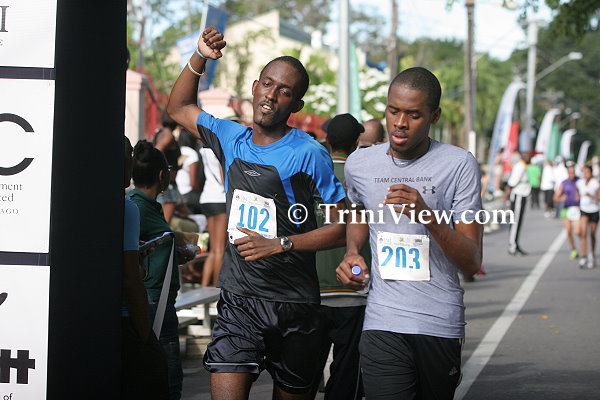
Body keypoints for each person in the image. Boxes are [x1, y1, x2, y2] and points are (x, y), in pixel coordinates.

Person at [166, 27, 348, 400]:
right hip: (239, 300)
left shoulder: (309, 153)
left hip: (294, 305)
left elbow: (344, 226)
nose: (271, 95)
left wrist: (281, 244)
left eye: (285, 91)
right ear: (254, 87)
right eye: (267, 84)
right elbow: (179, 108)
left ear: (296, 105)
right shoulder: (230, 136)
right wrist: (199, 56)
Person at [336, 67, 483, 400]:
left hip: (438, 322)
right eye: (393, 111)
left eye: (414, 115)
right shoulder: (360, 164)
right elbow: (358, 211)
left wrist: (427, 216)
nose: (400, 123)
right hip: (382, 319)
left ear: (434, 116)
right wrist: (353, 251)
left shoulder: (458, 164)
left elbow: (472, 262)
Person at [309, 113, 370, 400]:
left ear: (327, 140)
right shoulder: (364, 176)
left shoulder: (310, 172)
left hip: (311, 290)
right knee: (347, 374)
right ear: (357, 141)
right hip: (353, 289)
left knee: (302, 377)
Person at [128, 140, 182, 400]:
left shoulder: (144, 206)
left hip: (158, 300)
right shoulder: (135, 208)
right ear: (162, 175)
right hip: (153, 303)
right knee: (167, 381)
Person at [122, 136, 169, 400]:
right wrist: (145, 336)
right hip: (130, 318)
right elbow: (130, 278)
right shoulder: (129, 208)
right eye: (127, 155)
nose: (130, 162)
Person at [197, 142, 227, 287]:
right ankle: (216, 289)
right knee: (220, 249)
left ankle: (204, 286)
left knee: (213, 249)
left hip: (207, 197)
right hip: (220, 199)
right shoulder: (220, 149)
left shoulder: (205, 150)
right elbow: (223, 179)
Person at [154, 113, 183, 224]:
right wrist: (166, 171)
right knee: (164, 224)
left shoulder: (161, 133)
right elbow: (157, 152)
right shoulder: (168, 136)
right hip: (167, 186)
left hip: (165, 183)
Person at [505, 151, 532, 256]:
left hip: (522, 195)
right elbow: (512, 182)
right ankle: (512, 246)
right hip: (518, 196)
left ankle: (515, 243)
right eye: (527, 156)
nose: (529, 158)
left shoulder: (523, 166)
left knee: (518, 222)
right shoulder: (520, 166)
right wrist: (507, 194)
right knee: (515, 222)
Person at [554, 163, 580, 260]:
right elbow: (555, 197)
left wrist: (580, 197)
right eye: (570, 173)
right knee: (568, 231)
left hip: (577, 209)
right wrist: (561, 198)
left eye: (573, 172)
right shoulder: (564, 183)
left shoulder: (579, 181)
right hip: (567, 209)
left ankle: (583, 243)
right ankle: (574, 249)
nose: (572, 174)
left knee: (577, 231)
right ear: (568, 173)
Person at [576, 165, 599, 268]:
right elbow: (577, 192)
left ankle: (592, 256)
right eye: (584, 172)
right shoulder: (580, 183)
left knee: (592, 234)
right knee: (584, 233)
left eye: (587, 172)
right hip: (584, 210)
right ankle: (584, 256)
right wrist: (577, 197)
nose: (586, 174)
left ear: (591, 173)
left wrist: (591, 196)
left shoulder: (595, 183)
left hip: (594, 210)